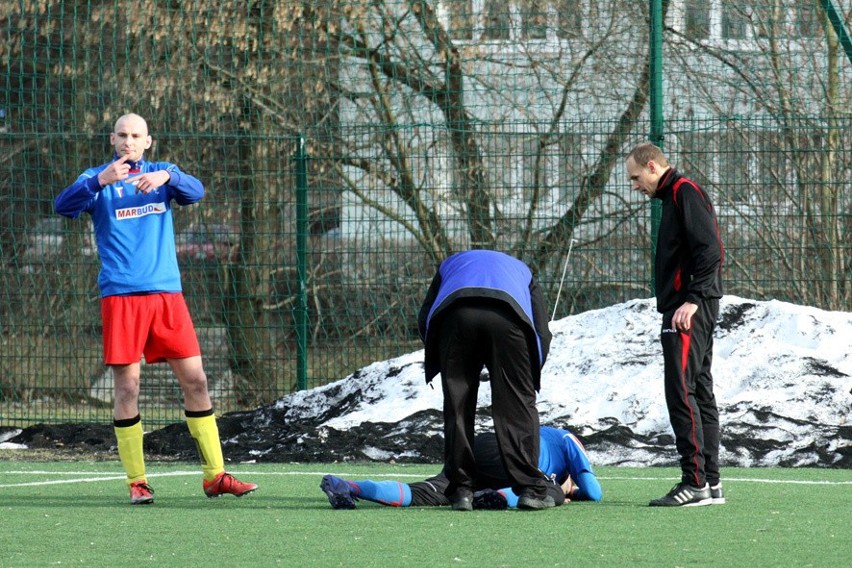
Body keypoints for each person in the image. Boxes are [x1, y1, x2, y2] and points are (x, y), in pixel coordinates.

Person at [54, 113, 256, 505]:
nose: (129, 141)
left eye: (136, 136)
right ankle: (137, 480)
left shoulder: (163, 175)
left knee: (196, 381)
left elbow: (196, 192)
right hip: (121, 297)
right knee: (128, 387)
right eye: (123, 135)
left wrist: (169, 178)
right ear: (113, 139)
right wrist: (99, 181)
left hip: (167, 295)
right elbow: (63, 206)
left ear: (148, 142)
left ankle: (216, 476)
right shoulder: (97, 178)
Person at [625, 142, 725, 507]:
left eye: (636, 177)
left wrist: (693, 300)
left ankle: (694, 481)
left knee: (681, 391)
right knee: (698, 390)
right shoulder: (674, 197)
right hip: (691, 305)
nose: (635, 186)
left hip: (688, 309)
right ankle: (711, 484)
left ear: (652, 167)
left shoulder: (685, 192)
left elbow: (711, 250)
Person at [417, 249, 553, 511]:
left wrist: (441, 357)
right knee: (516, 405)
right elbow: (542, 332)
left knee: (458, 406)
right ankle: (531, 489)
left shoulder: (449, 264)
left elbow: (425, 317)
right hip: (508, 317)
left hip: (454, 314)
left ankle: (461, 491)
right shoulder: (523, 270)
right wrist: (528, 377)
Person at [320, 426, 602, 510]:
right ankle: (499, 499)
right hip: (509, 455)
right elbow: (594, 492)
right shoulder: (568, 439)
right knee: (546, 493)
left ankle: (350, 487)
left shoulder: (544, 435)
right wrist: (570, 493)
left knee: (424, 492)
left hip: (478, 448)